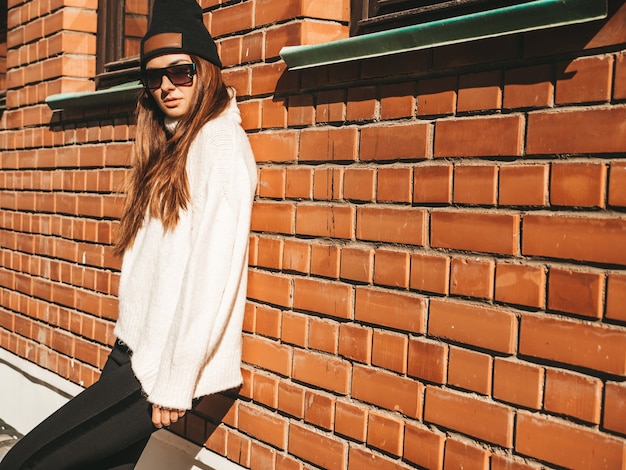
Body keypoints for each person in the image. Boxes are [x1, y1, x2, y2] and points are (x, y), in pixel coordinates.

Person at [0, 0, 257, 468]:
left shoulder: (218, 147)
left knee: (24, 462)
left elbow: (211, 279)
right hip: (134, 353)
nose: (166, 86)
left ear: (205, 69)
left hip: (159, 367)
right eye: (154, 77)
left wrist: (176, 383)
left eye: (180, 72)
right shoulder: (174, 142)